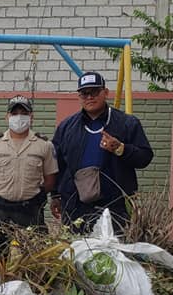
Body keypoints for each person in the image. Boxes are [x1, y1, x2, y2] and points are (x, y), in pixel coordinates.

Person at [0, 95, 58, 295]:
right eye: (15, 113)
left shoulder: (43, 145)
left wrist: (35, 194)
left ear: (31, 116)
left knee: (35, 258)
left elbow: (50, 179)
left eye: (23, 113)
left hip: (30, 210)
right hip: (0, 209)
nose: (19, 117)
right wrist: (0, 189)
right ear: (7, 116)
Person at [51, 71, 153, 231]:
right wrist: (55, 195)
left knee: (114, 246)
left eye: (94, 92)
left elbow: (145, 157)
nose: (89, 97)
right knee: (76, 246)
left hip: (115, 206)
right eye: (84, 93)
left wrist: (121, 148)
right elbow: (57, 164)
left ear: (105, 92)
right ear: (79, 97)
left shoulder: (127, 123)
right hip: (75, 206)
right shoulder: (66, 127)